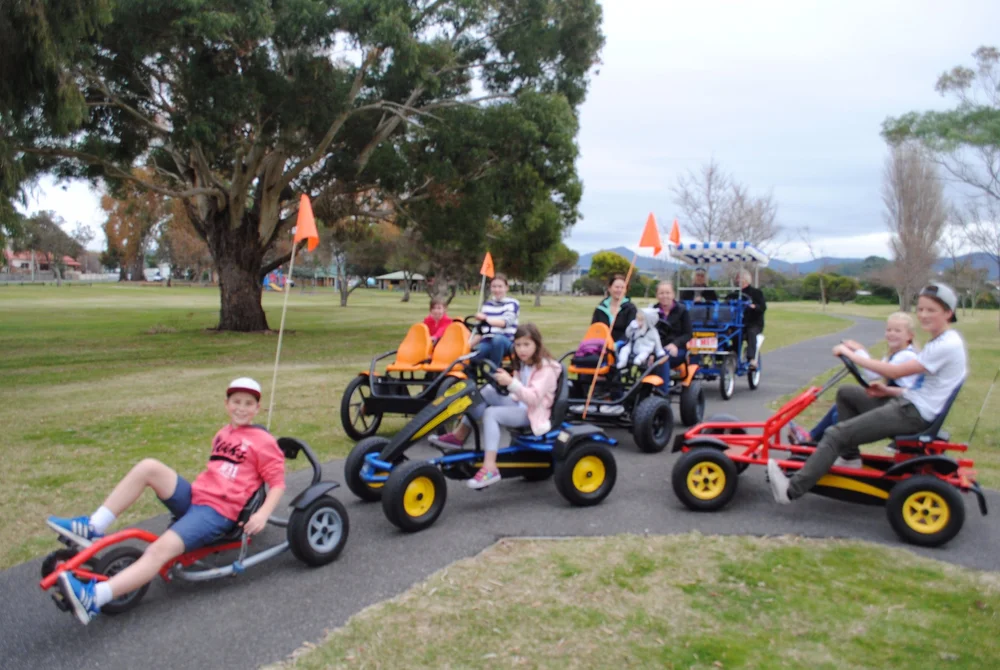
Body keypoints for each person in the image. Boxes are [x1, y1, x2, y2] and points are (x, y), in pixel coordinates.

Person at [48, 378, 286, 625]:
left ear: (257, 408)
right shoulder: (223, 433)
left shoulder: (264, 442)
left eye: (248, 403)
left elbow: (278, 483)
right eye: (236, 402)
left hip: (218, 512)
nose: (241, 408)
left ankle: (94, 598)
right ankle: (93, 527)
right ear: (227, 404)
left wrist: (262, 514)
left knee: (157, 550)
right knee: (148, 467)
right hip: (197, 498)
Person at [768, 283, 967, 505]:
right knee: (847, 393)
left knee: (835, 434)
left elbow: (894, 372)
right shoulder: (941, 340)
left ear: (948, 313)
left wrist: (852, 355)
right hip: (911, 404)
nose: (923, 315)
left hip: (913, 415)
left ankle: (790, 490)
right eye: (920, 309)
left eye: (931, 310)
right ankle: (849, 457)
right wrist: (888, 390)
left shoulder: (946, 345)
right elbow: (925, 387)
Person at [430, 324, 561, 490]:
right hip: (521, 404)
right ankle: (459, 436)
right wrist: (504, 383)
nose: (522, 349)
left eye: (526, 344)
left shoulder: (545, 368)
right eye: (518, 345)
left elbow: (533, 399)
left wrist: (511, 383)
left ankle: (490, 468)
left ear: (537, 344)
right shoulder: (523, 363)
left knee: (491, 414)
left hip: (534, 413)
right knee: (487, 390)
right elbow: (518, 390)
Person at [788, 312, 921, 444]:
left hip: (901, 408)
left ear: (909, 336)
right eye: (889, 330)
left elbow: (875, 371)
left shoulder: (906, 356)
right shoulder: (896, 354)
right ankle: (813, 439)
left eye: (897, 331)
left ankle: (820, 443)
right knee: (842, 404)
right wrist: (860, 350)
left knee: (841, 411)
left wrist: (855, 353)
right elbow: (874, 373)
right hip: (893, 403)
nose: (891, 334)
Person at [470, 273, 519, 366]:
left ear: (506, 288)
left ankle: (494, 371)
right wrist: (468, 345)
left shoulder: (512, 304)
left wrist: (486, 319)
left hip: (506, 341)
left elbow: (505, 323)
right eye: (494, 287)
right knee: (472, 356)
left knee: (497, 339)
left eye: (500, 287)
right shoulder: (487, 305)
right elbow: (481, 330)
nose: (497, 290)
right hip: (487, 341)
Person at [650, 281, 693, 383]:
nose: (665, 296)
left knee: (663, 357)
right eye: (661, 293)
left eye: (668, 293)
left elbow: (688, 334)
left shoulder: (682, 311)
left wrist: (675, 344)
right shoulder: (652, 311)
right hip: (655, 348)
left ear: (673, 294)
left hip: (676, 349)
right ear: (657, 295)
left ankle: (662, 390)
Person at [726, 269, 766, 369]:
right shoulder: (734, 294)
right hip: (738, 323)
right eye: (737, 278)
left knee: (751, 332)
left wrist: (753, 306)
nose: (738, 280)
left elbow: (762, 307)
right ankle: (731, 356)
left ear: (746, 279)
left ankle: (751, 359)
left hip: (754, 323)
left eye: (740, 278)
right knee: (731, 333)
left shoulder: (756, 293)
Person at [591, 274, 637, 344]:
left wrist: (617, 344)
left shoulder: (631, 309)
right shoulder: (600, 308)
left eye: (622, 288)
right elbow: (594, 329)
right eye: (617, 287)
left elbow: (631, 331)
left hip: (623, 346)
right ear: (609, 288)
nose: (619, 290)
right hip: (601, 345)